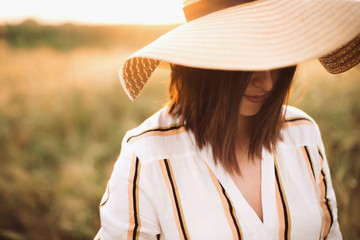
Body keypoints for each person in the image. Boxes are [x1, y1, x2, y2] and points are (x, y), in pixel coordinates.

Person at [95, 0, 360, 239]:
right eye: (249, 59)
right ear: (204, 62)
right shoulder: (149, 156)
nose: (267, 82)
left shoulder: (302, 133)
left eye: (278, 58)